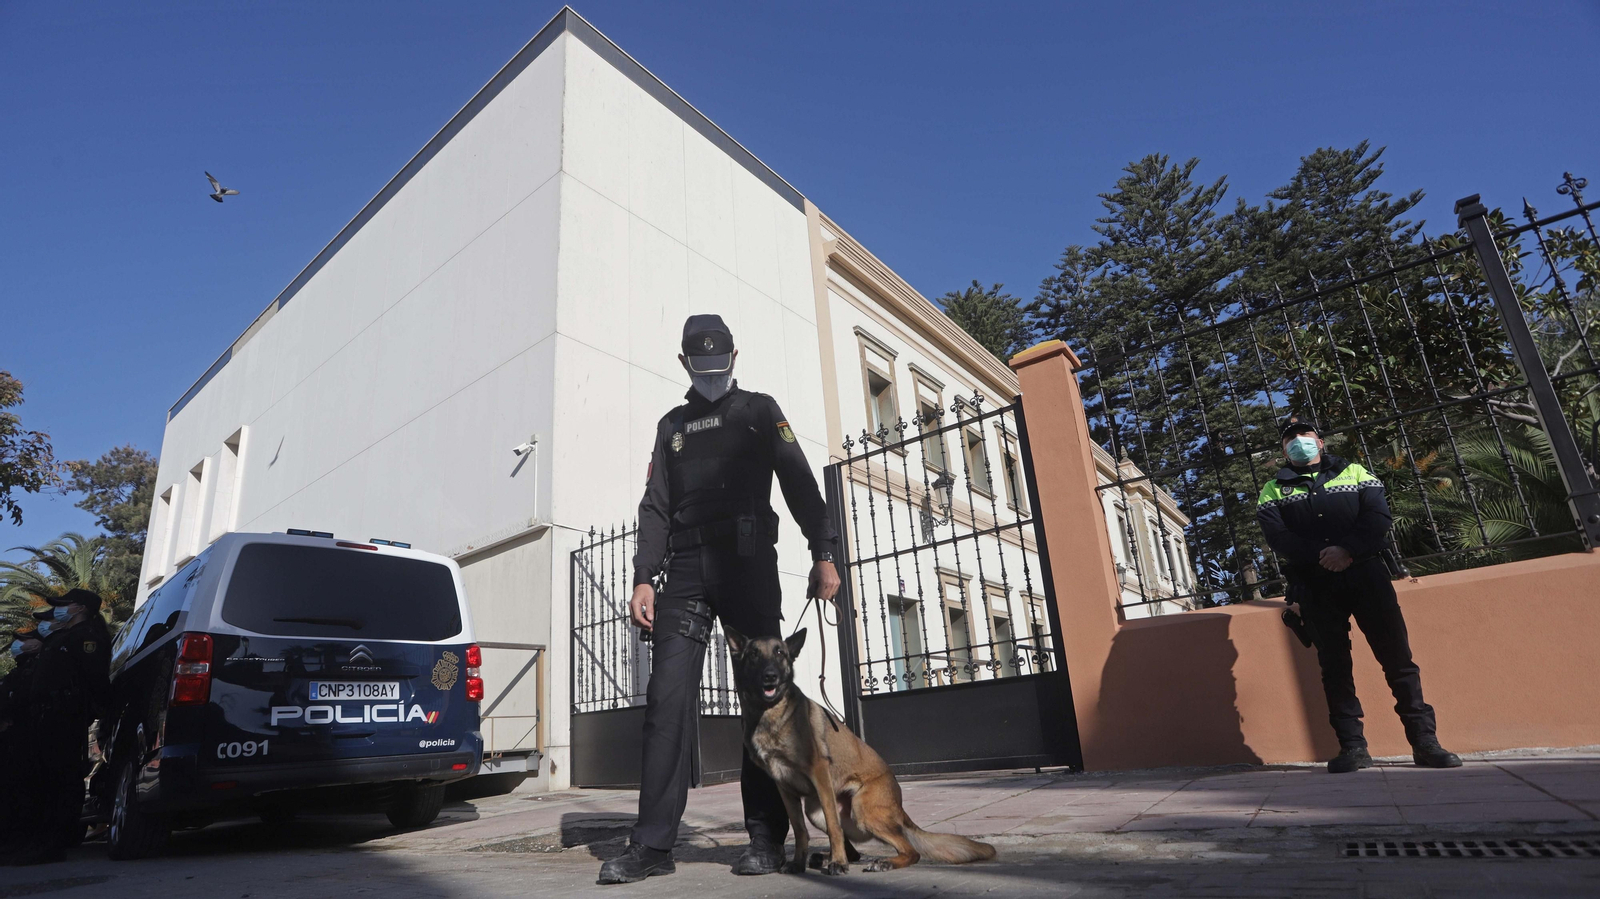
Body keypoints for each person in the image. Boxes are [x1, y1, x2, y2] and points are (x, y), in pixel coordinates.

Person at [598, 314, 841, 884]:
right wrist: (642, 576)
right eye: (700, 366)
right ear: (684, 365)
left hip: (746, 563)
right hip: (683, 573)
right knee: (665, 700)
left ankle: (763, 840)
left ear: (735, 358)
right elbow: (655, 505)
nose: (712, 373)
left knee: (760, 700)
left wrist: (823, 548)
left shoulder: (759, 410)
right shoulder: (671, 425)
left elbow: (798, 477)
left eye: (720, 363)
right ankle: (653, 845)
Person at [1256, 416, 1461, 774]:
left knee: (1398, 660)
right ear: (1283, 449)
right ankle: (1352, 747)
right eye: (1290, 438)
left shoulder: (1354, 472)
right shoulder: (1273, 489)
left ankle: (1425, 742)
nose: (1298, 441)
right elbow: (1278, 537)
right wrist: (1324, 556)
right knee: (1334, 668)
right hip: (1316, 583)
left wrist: (1347, 550)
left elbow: (1378, 516)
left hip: (1367, 574)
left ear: (1320, 442)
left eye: (1305, 435)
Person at [6, 588, 111, 865]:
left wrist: (103, 711)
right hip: (46, 716)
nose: (62, 609)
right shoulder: (64, 637)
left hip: (64, 716)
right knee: (43, 779)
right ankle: (37, 841)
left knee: (58, 779)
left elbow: (96, 678)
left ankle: (51, 843)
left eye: (67, 604)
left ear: (82, 608)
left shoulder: (86, 637)